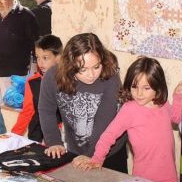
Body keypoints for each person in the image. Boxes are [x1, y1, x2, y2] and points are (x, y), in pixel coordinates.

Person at [74, 57, 182, 182]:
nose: (139, 93)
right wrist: (97, 158)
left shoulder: (162, 103)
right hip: (142, 180)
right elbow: (109, 135)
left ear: (158, 87)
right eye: (134, 87)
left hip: (169, 180)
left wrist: (178, 97)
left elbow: (176, 118)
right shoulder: (129, 109)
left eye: (146, 88)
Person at [38, 33, 128, 173]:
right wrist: (54, 141)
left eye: (96, 67)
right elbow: (46, 110)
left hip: (111, 152)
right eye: (83, 69)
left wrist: (91, 156)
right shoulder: (52, 77)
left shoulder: (110, 78)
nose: (91, 74)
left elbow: (103, 122)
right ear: (69, 65)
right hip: (76, 149)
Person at [11, 34, 62, 142]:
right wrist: (13, 136)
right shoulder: (32, 82)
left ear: (58, 58)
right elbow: (27, 112)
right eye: (37, 57)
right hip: (36, 136)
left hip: (58, 138)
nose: (40, 62)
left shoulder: (66, 81)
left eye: (45, 58)